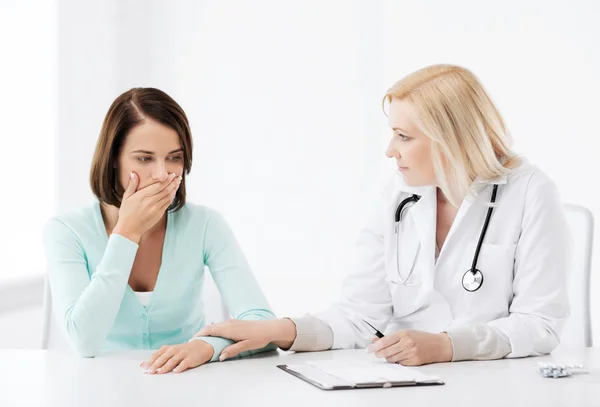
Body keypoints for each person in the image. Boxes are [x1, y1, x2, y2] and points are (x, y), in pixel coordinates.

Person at [192, 64, 572, 366]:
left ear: (451, 138)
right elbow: (360, 317)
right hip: (404, 384)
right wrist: (280, 330)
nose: (391, 151)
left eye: (404, 136)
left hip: (494, 386)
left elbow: (539, 326)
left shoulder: (530, 193)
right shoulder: (398, 196)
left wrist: (447, 346)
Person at [43, 87, 275, 374]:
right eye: (144, 158)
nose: (163, 174)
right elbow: (84, 341)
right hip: (98, 387)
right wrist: (126, 233)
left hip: (186, 384)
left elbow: (262, 324)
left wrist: (206, 346)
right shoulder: (66, 231)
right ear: (113, 159)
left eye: (174, 158)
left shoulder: (205, 225)